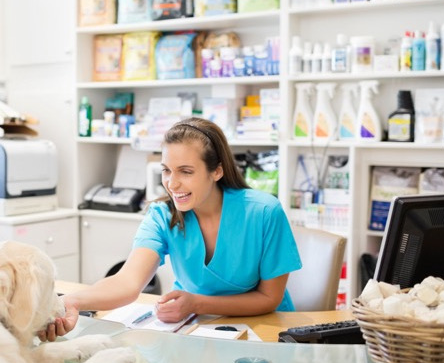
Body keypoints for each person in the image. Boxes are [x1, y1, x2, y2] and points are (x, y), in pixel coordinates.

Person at [62, 117, 302, 326]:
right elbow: (127, 282)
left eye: (186, 172)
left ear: (216, 171)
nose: (172, 184)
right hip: (197, 327)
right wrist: (70, 302)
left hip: (266, 329)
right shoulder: (162, 215)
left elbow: (270, 298)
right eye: (166, 170)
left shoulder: (263, 212)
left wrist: (197, 303)